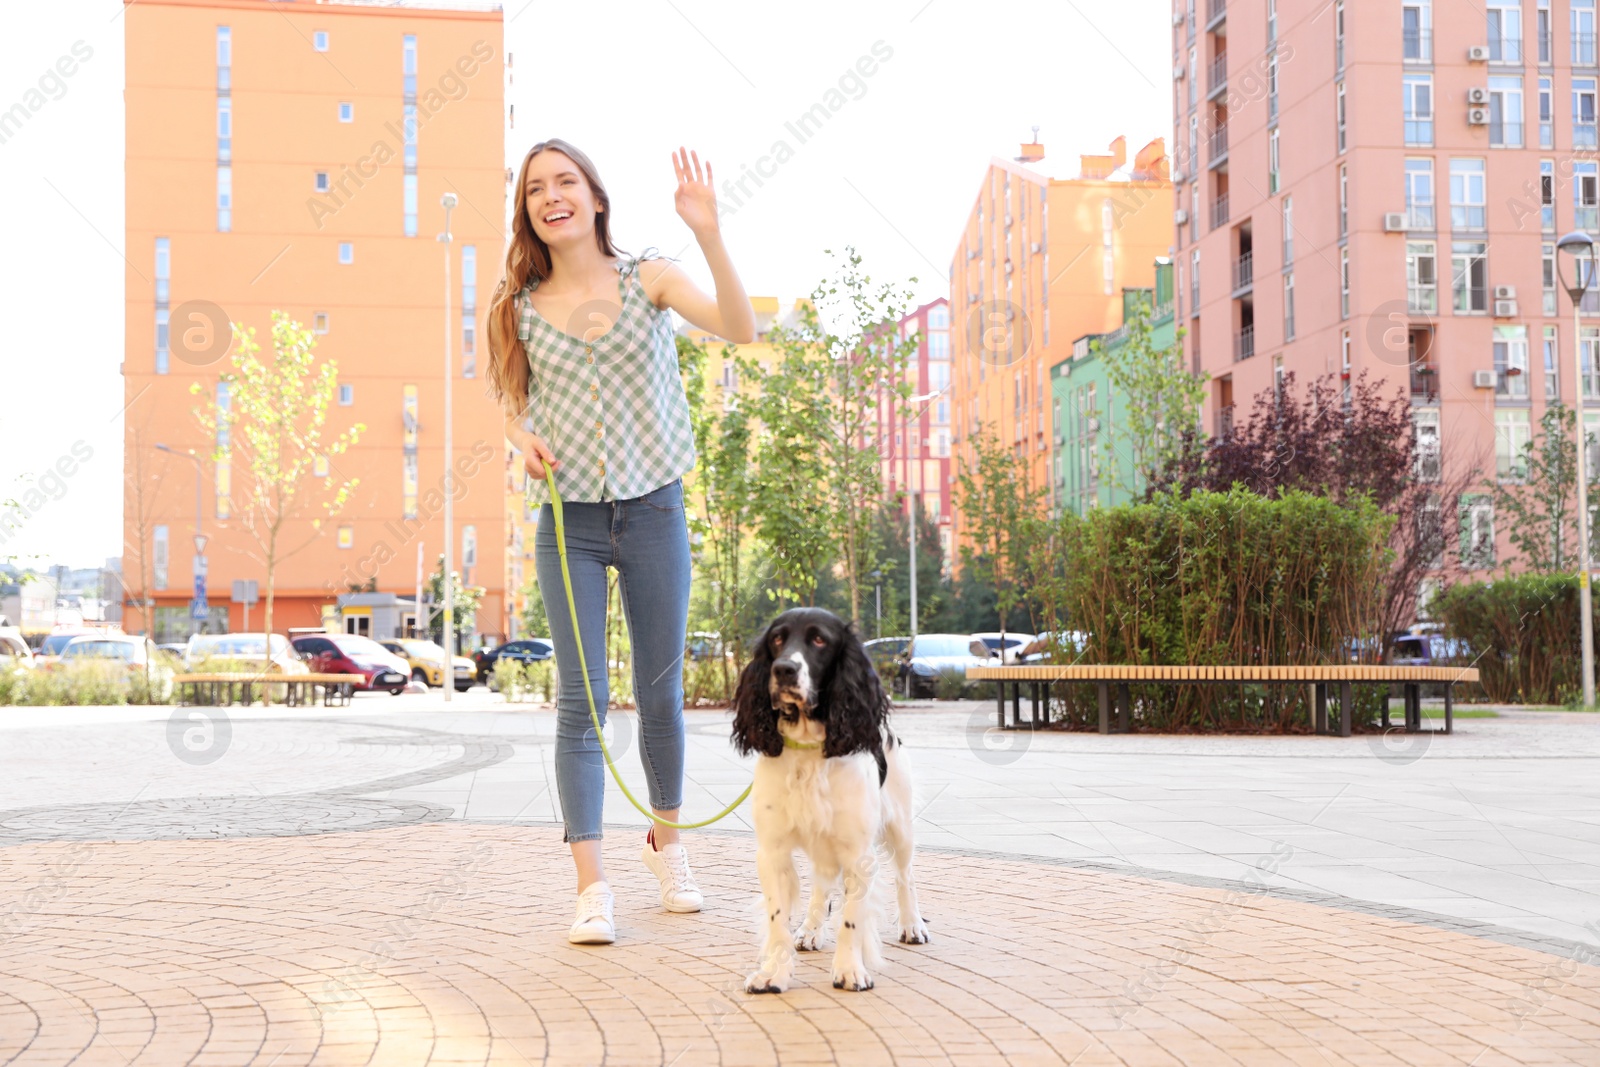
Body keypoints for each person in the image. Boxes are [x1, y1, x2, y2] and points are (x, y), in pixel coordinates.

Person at [486, 139, 755, 945]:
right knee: (582, 700)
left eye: (565, 181)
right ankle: (590, 884)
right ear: (528, 210)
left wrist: (708, 232)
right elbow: (508, 398)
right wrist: (518, 439)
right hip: (568, 522)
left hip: (654, 511)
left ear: (595, 199)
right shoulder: (518, 306)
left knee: (660, 691)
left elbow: (740, 328)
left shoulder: (651, 277)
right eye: (536, 188)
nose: (550, 195)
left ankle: (667, 846)